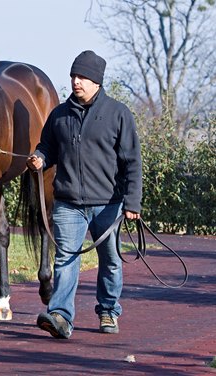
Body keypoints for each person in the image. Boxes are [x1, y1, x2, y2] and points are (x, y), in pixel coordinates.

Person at [26, 50, 142, 339]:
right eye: (74, 76)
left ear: (97, 81)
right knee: (65, 258)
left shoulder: (118, 114)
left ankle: (108, 309)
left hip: (109, 204)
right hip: (68, 203)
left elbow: (132, 162)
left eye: (83, 77)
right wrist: (40, 158)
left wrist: (133, 202)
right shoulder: (59, 115)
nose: (76, 81)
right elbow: (48, 147)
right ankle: (60, 317)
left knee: (111, 260)